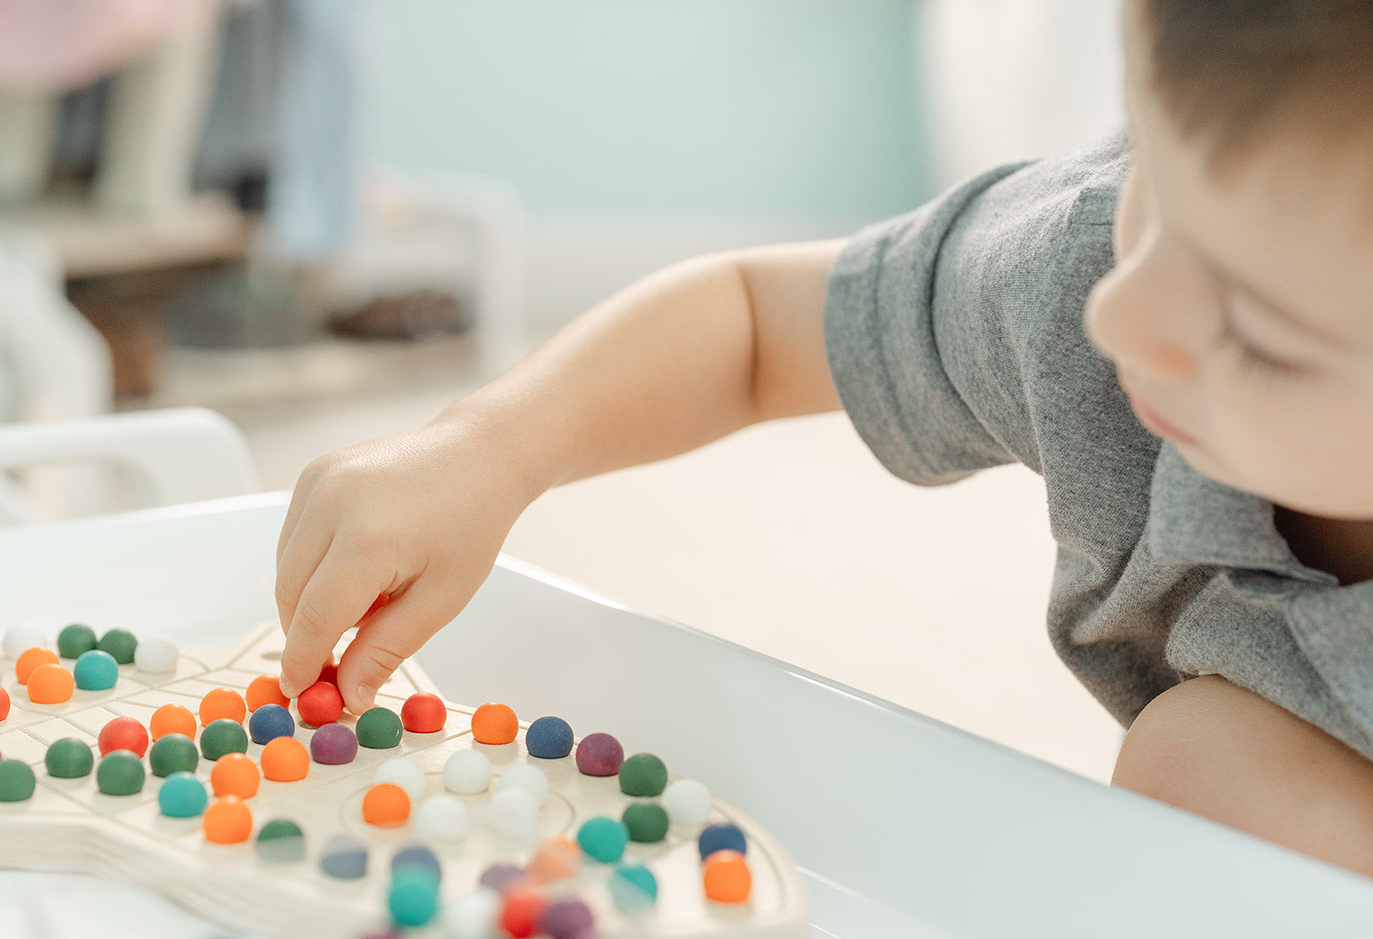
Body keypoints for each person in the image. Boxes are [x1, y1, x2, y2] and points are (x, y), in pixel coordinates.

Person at [275, 0, 1373, 875]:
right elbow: (756, 323)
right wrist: (490, 450)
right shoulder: (1082, 273)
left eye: (1262, 335)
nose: (1122, 316)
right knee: (1210, 774)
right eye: (1158, 196)